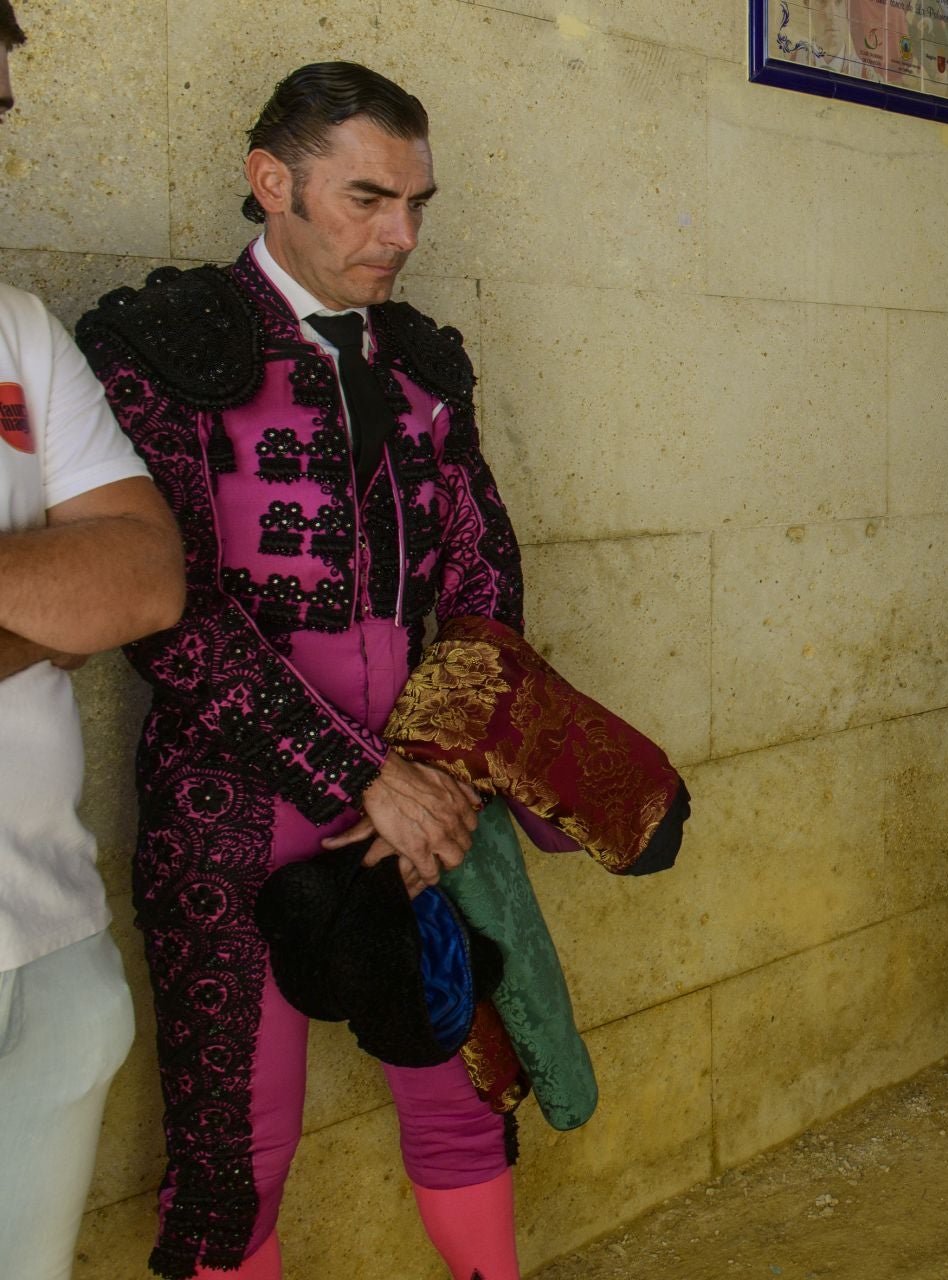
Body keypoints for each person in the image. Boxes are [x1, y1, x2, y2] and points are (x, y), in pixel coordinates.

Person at [76, 63, 528, 1279]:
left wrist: (433, 765)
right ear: (271, 183)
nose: (403, 234)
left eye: (419, 202)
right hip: (236, 805)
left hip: (422, 797)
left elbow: (486, 571)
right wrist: (362, 771)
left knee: (466, 1094)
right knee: (235, 1158)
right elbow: (167, 612)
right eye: (369, 198)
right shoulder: (161, 344)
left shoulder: (427, 359)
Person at [0, 11, 189, 1278]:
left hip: (48, 932)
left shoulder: (14, 326)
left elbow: (143, 572)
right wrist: (33, 615)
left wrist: (83, 597)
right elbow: (79, 588)